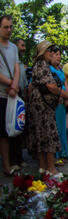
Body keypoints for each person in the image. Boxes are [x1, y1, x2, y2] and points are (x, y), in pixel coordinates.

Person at [27, 40, 68, 176]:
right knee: (48, 135)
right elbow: (50, 86)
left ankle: (42, 167)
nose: (52, 53)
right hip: (43, 107)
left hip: (40, 105)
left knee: (41, 135)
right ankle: (51, 168)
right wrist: (64, 94)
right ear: (43, 52)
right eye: (50, 50)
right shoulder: (42, 65)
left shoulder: (40, 65)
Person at [0, 15, 20, 176]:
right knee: (1, 131)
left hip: (12, 94)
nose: (9, 30)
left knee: (8, 130)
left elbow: (17, 67)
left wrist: (15, 84)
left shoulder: (13, 47)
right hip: (1, 92)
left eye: (11, 27)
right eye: (5, 27)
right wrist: (10, 83)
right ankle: (6, 165)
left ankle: (10, 164)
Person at [9, 38, 28, 172]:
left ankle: (19, 158)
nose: (24, 48)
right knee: (11, 129)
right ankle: (12, 160)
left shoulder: (21, 64)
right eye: (22, 46)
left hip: (21, 98)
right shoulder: (10, 62)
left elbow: (25, 82)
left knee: (20, 128)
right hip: (11, 96)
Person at [50, 47, 68, 165]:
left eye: (59, 54)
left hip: (63, 101)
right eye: (56, 54)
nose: (58, 56)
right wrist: (65, 95)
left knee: (62, 127)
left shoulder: (60, 69)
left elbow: (65, 82)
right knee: (55, 127)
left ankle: (62, 152)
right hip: (55, 101)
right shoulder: (49, 69)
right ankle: (55, 155)